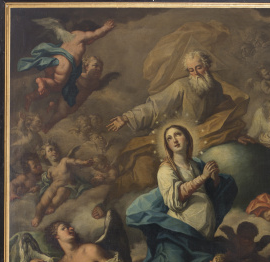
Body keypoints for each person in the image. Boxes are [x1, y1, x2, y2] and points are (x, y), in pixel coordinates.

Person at [124, 124, 237, 262]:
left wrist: (214, 178)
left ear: (187, 138)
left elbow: (210, 191)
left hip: (201, 234)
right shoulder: (166, 169)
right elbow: (175, 201)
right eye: (169, 138)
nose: (174, 140)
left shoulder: (196, 164)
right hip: (178, 230)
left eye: (178, 135)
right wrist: (203, 177)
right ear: (167, 145)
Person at [106, 43, 248, 194]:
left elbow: (222, 113)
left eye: (199, 68)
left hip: (201, 134)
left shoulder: (216, 87)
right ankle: (112, 195)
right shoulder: (181, 86)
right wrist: (127, 117)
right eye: (191, 70)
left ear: (207, 66)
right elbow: (155, 107)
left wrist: (234, 133)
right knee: (145, 170)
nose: (196, 73)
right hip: (174, 136)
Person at [19, 19, 115, 110]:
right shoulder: (81, 35)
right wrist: (105, 28)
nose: (92, 41)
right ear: (88, 30)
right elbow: (96, 34)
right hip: (64, 63)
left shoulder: (69, 35)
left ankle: (31, 96)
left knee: (48, 89)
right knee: (58, 85)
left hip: (54, 60)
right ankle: (41, 81)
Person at [43, 55, 120, 132]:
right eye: (95, 66)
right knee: (61, 113)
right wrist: (54, 99)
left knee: (64, 116)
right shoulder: (78, 77)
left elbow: (103, 83)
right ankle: (47, 126)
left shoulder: (96, 83)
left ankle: (47, 125)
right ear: (86, 67)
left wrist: (110, 76)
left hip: (75, 106)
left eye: (100, 68)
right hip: (65, 101)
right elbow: (61, 85)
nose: (99, 69)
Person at [31, 142, 98, 227]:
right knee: (43, 201)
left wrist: (84, 163)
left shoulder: (64, 161)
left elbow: (75, 161)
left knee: (61, 191)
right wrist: (37, 186)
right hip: (53, 187)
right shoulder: (50, 170)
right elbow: (45, 182)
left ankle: (53, 205)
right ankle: (37, 216)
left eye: (55, 149)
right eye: (50, 150)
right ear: (45, 156)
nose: (54, 151)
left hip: (67, 186)